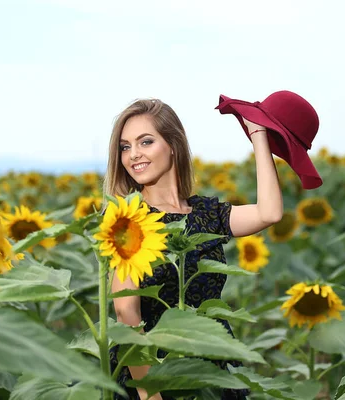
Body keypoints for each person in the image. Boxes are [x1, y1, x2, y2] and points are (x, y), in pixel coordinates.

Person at [105, 98, 283, 400]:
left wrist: (258, 134)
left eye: (145, 142)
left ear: (172, 144)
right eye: (125, 147)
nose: (133, 155)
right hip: (155, 372)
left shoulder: (206, 213)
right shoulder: (129, 219)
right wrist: (151, 395)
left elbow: (270, 213)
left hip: (212, 367)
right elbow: (126, 312)